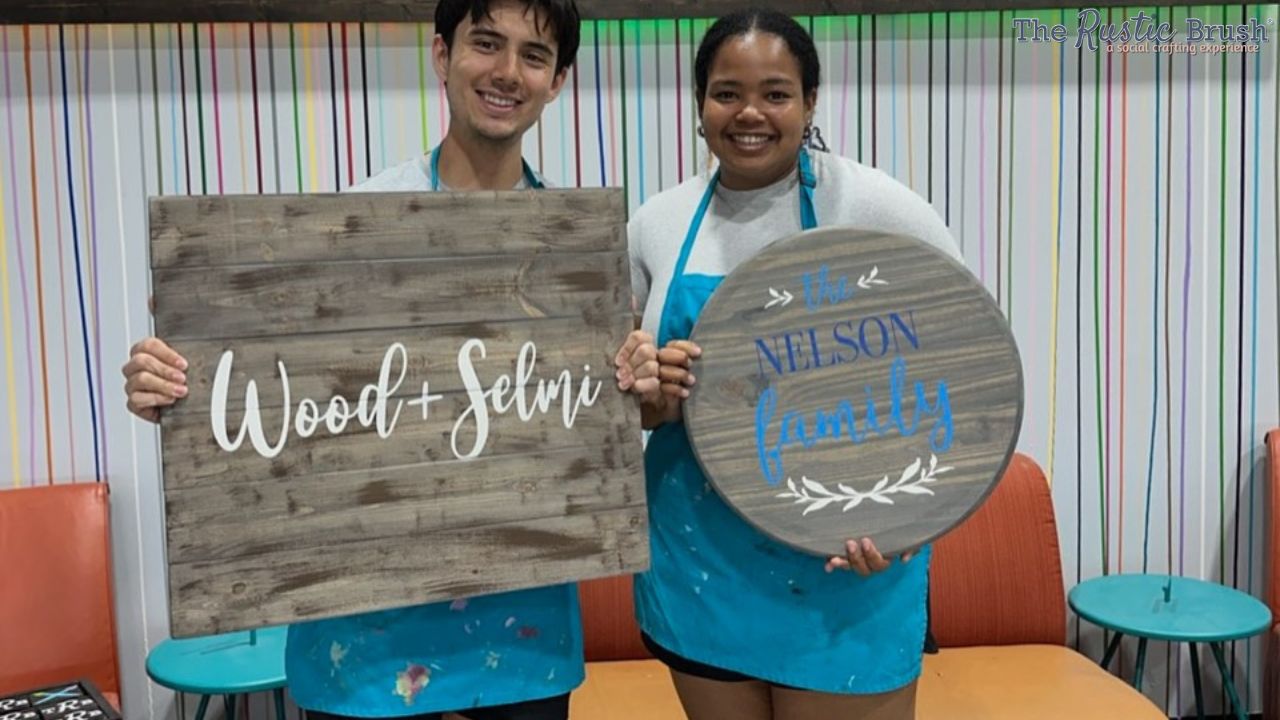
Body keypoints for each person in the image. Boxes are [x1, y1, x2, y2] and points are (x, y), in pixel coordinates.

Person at [122, 1, 585, 718]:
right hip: (364, 648)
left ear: (558, 81)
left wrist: (634, 381)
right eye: (485, 44)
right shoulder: (345, 223)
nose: (506, 71)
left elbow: (590, 431)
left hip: (521, 639)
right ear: (441, 54)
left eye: (533, 54)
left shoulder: (578, 249)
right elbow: (266, 400)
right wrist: (176, 391)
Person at [613, 8, 964, 720]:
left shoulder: (874, 207)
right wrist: (654, 395)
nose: (750, 113)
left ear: (810, 102)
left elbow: (966, 368)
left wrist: (910, 519)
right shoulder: (658, 223)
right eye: (726, 92)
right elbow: (625, 406)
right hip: (702, 567)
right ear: (699, 103)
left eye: (775, 93)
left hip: (844, 566)